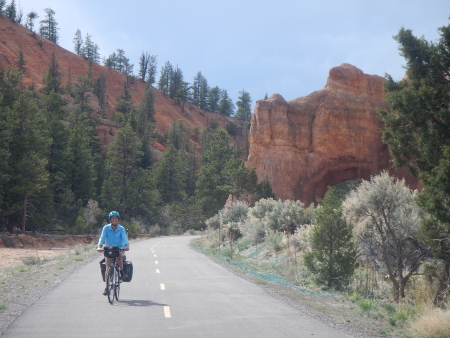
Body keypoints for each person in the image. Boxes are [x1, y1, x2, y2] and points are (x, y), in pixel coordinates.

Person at [97, 211, 129, 295]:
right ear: (110, 220)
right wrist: (99, 246)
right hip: (109, 248)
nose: (114, 219)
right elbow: (102, 237)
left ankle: (121, 271)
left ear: (118, 219)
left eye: (116, 218)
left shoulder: (121, 228)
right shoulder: (106, 228)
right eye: (113, 218)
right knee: (108, 264)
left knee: (119, 256)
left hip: (120, 248)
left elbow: (124, 238)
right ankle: (107, 287)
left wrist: (127, 245)